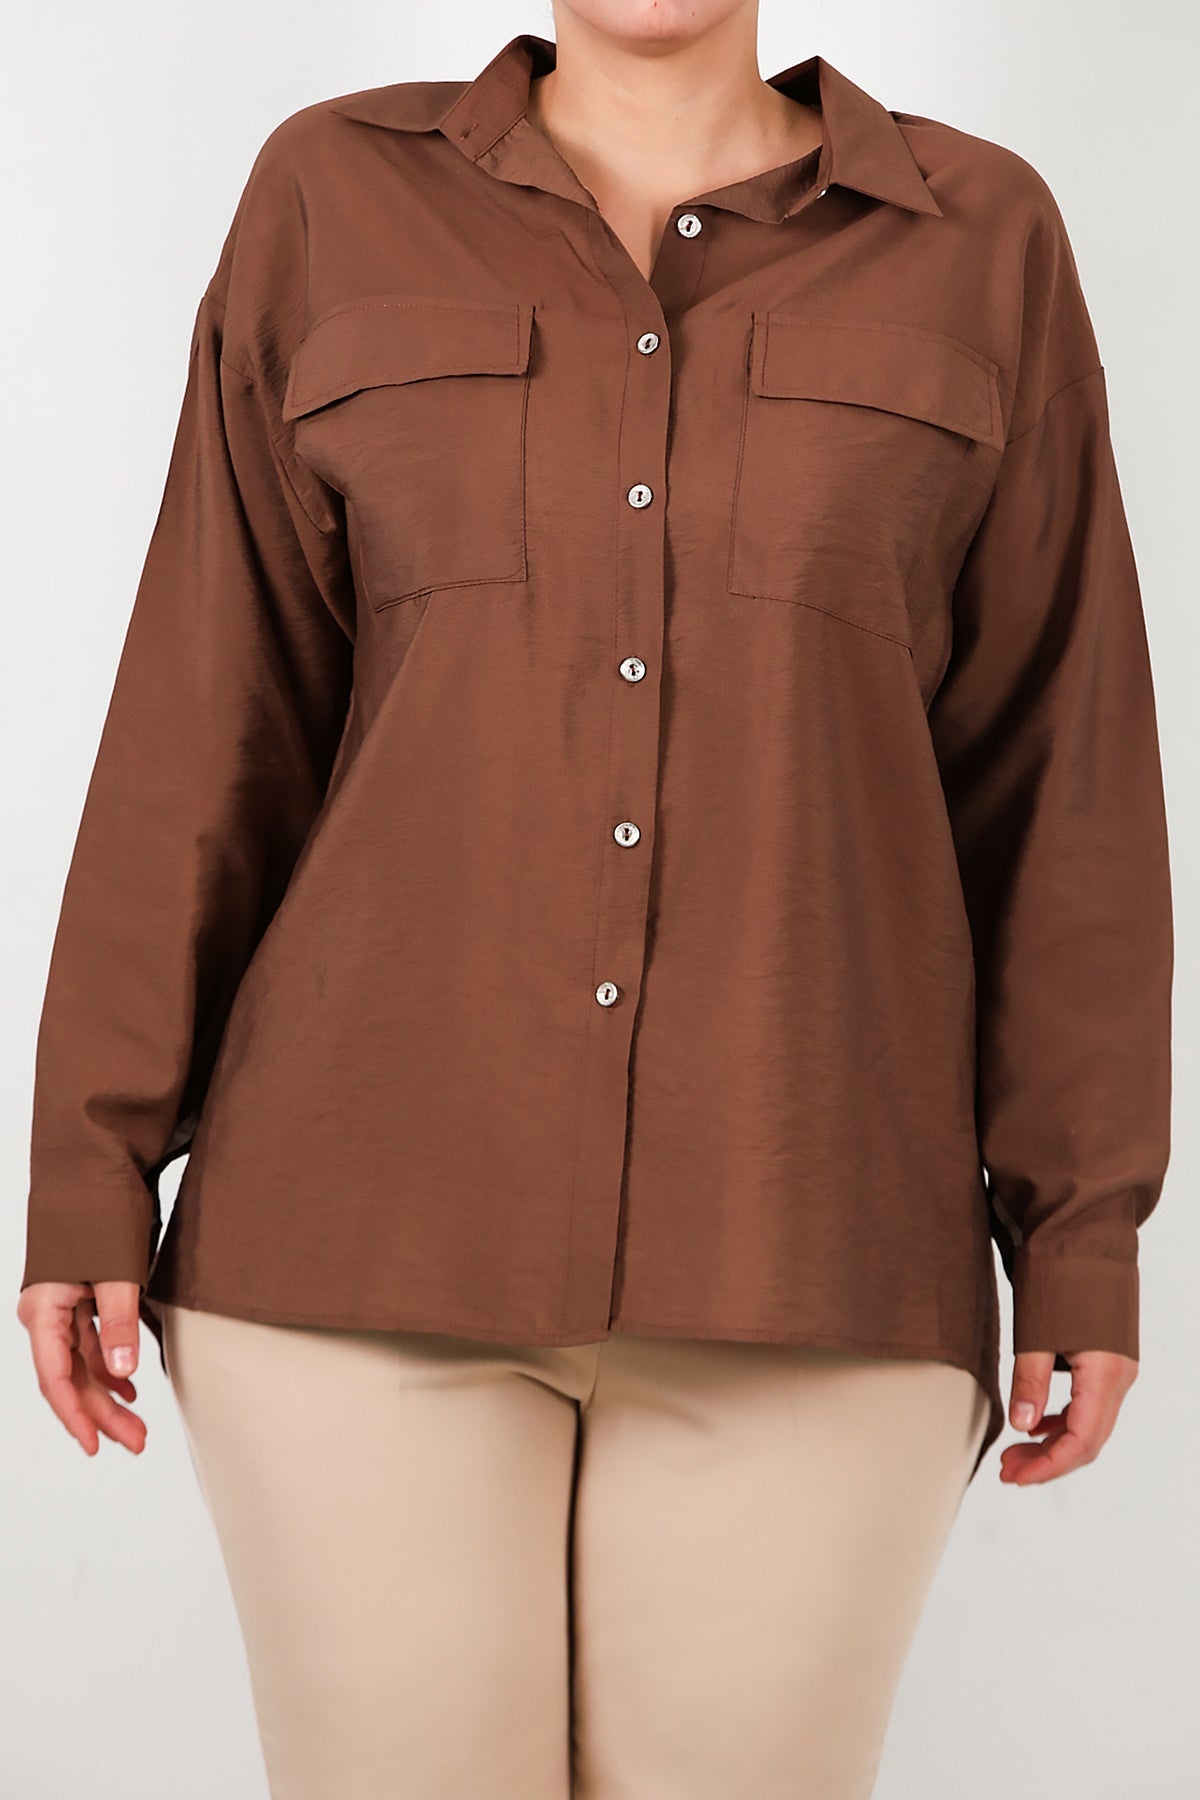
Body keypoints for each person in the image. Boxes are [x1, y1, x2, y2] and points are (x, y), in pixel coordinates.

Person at [17, 3, 1172, 1796]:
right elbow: (207, 710)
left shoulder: (983, 237)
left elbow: (1060, 771)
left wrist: (1079, 1227)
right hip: (355, 1242)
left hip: (810, 1246)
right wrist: (90, 1161)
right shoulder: (330, 194)